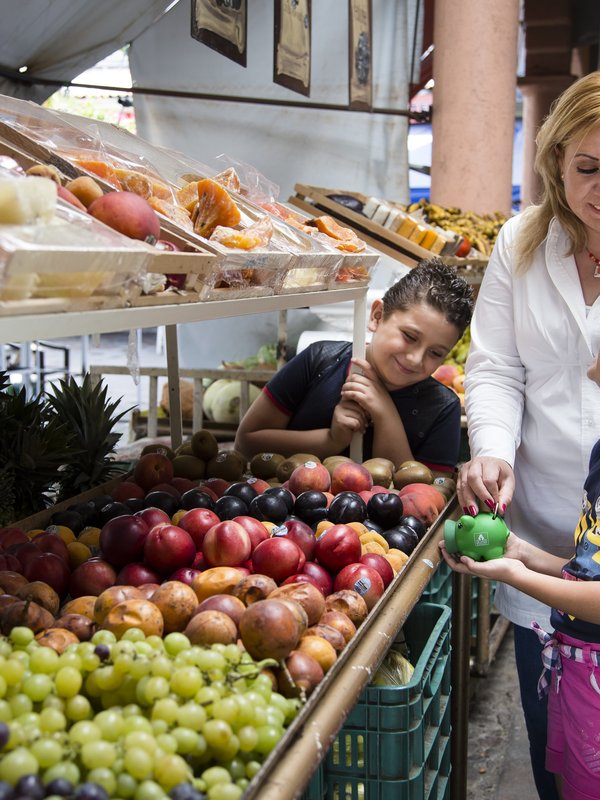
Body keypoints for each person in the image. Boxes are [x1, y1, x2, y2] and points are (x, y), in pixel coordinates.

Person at [456, 71, 600, 799]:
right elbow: (496, 368)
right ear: (557, 163)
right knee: (558, 740)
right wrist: (491, 451)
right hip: (540, 527)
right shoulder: (521, 243)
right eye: (588, 168)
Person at [442, 356, 600, 799]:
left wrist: (517, 575)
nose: (590, 358)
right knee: (567, 778)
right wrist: (523, 553)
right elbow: (587, 572)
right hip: (573, 664)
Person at [234, 258, 473, 474]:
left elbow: (429, 498)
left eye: (435, 353)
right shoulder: (319, 360)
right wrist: (330, 439)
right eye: (410, 337)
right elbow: (246, 442)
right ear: (377, 316)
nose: (415, 359)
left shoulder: (443, 407)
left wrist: (385, 413)